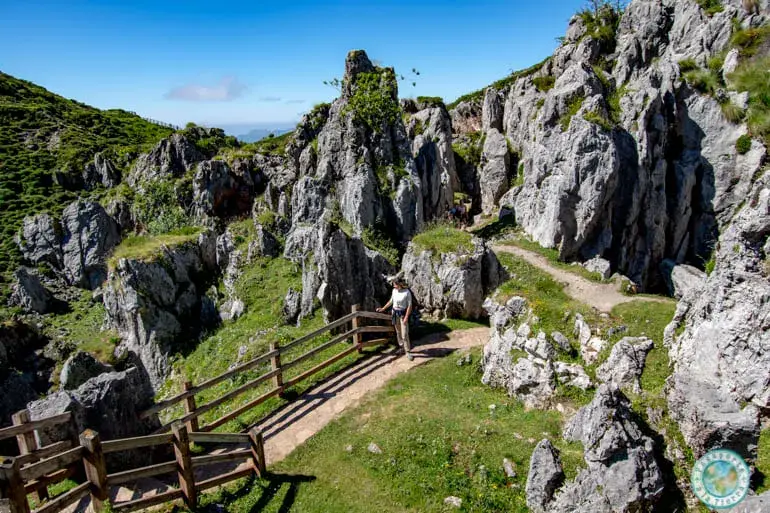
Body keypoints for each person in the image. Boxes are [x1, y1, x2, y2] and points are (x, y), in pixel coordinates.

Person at [377, 275, 414, 361]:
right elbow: (391, 301)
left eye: (395, 284)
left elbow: (409, 306)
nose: (394, 286)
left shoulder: (407, 292)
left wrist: (406, 317)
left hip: (403, 314)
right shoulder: (394, 291)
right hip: (394, 313)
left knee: (405, 333)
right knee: (398, 332)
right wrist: (383, 308)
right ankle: (401, 348)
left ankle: (408, 351)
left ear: (400, 284)